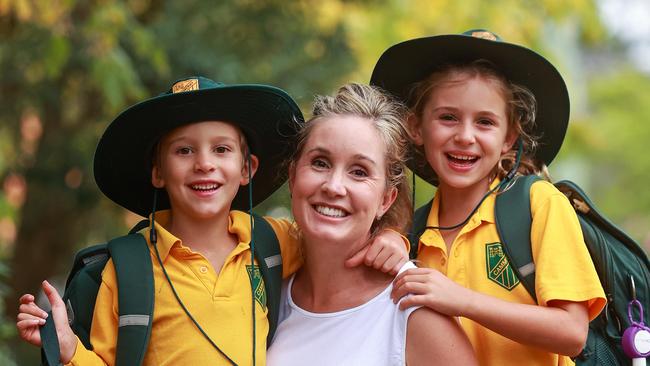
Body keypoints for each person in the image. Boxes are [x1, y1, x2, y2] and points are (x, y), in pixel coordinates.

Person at [15, 77, 409, 365]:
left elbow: (335, 240)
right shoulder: (126, 271)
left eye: (221, 149)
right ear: (157, 172)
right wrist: (69, 351)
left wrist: (392, 237)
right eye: (184, 151)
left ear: (246, 169)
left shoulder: (273, 244)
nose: (204, 163)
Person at [370, 30, 607, 365]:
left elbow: (571, 332)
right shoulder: (411, 235)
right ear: (416, 127)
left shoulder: (537, 204)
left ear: (508, 138)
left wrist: (462, 300)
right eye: (448, 117)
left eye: (485, 122)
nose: (465, 136)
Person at [266, 83, 478, 366]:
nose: (334, 186)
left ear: (386, 200)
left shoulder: (413, 308)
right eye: (320, 163)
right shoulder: (267, 289)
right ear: (293, 177)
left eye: (359, 172)